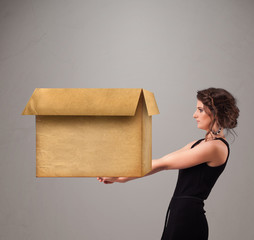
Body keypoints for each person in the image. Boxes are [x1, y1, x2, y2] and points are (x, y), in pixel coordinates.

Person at [97, 87, 240, 240]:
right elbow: (160, 162)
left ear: (215, 112)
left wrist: (118, 172)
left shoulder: (215, 147)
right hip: (178, 215)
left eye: (200, 110)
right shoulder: (198, 144)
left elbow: (162, 164)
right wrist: (120, 177)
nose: (194, 115)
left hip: (188, 220)